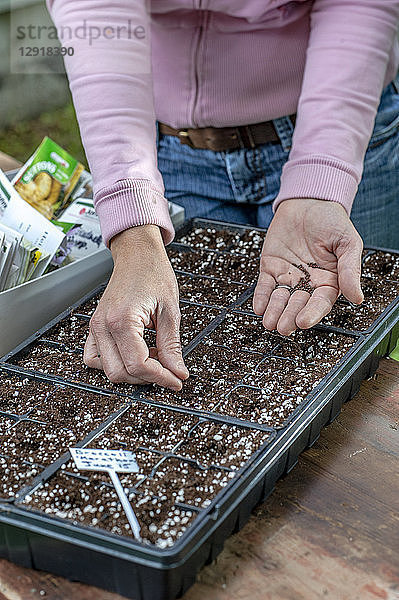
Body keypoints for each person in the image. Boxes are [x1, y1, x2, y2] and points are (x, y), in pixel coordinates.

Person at [47, 0, 399, 391]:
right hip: (173, 148)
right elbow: (96, 10)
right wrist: (134, 235)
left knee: (360, 358)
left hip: (340, 126)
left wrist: (321, 178)